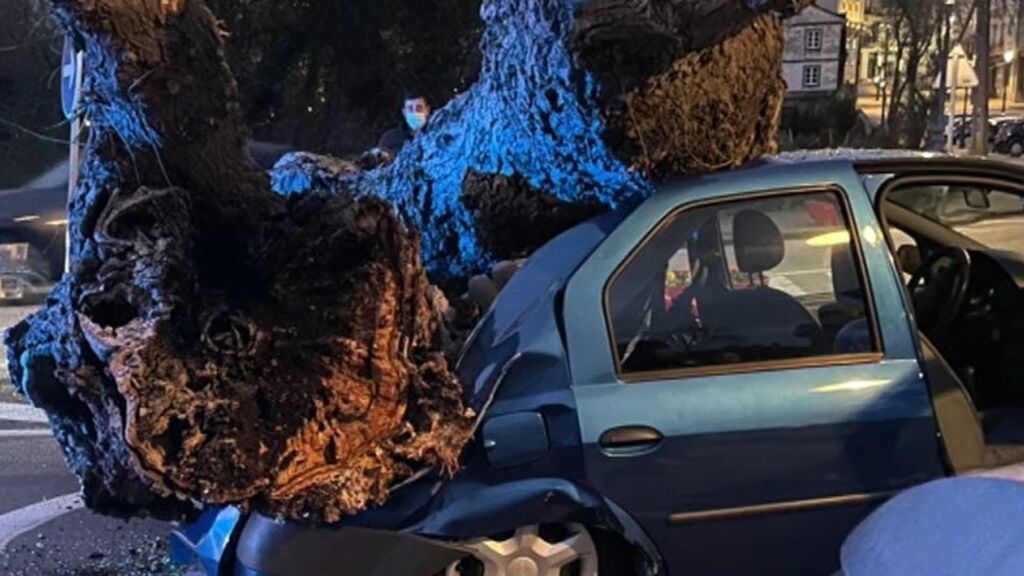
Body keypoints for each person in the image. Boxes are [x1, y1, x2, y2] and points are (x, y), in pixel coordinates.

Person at [377, 91, 432, 156]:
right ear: (404, 112)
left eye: (419, 109)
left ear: (427, 110)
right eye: (410, 109)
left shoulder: (437, 133)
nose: (415, 113)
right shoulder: (389, 139)